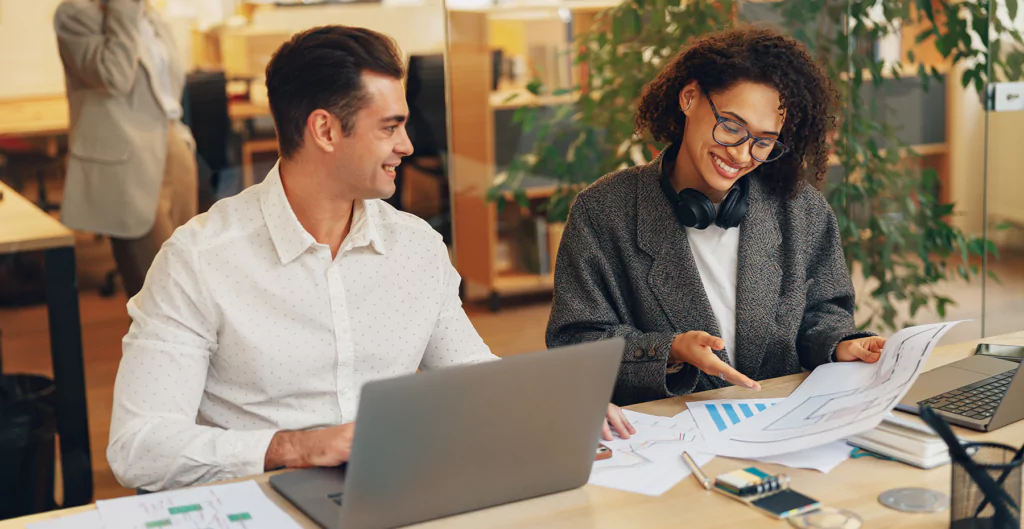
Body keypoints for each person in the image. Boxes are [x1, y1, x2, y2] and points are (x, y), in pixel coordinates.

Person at [107, 25, 633, 492]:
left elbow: (474, 375)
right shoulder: (198, 260)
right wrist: (299, 446)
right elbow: (139, 447)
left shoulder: (417, 247)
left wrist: (554, 406)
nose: (407, 144)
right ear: (325, 130)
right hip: (259, 498)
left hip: (391, 492)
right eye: (389, 126)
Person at [546, 27, 887, 406]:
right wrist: (669, 351)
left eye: (764, 141)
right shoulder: (603, 211)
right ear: (689, 97)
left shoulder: (801, 209)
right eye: (731, 127)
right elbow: (573, 347)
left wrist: (841, 345)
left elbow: (823, 314)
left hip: (782, 425)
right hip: (665, 437)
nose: (742, 155)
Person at [54, 0, 199, 299]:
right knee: (157, 295)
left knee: (192, 279)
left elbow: (172, 83)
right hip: (129, 164)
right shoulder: (75, 15)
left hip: (173, 150)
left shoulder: (148, 13)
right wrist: (124, 7)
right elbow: (115, 77)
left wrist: (180, 137)